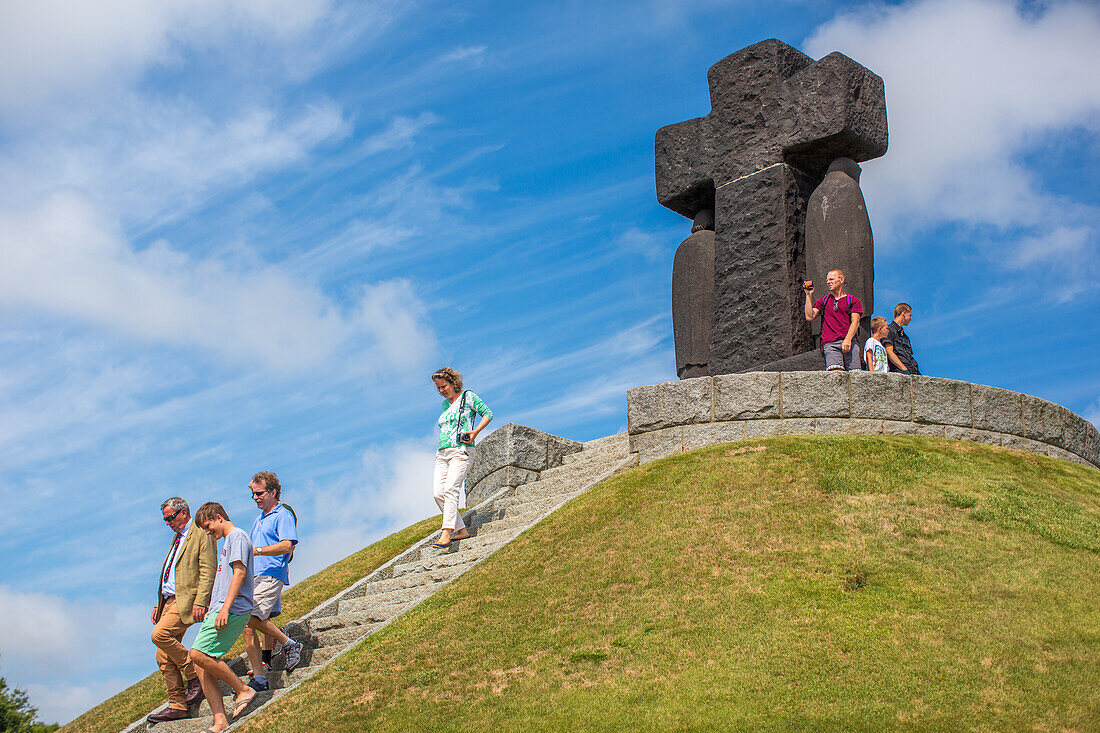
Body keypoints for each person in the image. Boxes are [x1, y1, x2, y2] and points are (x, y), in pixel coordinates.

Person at [147, 497, 217, 724]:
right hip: (168, 601)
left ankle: (193, 674)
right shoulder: (177, 538)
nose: (168, 523)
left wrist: (201, 600)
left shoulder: (199, 532)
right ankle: (177, 705)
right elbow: (171, 573)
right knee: (163, 655)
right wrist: (159, 603)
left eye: (170, 518)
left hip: (186, 600)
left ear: (183, 513)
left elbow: (208, 568)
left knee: (159, 635)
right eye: (165, 519)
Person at [188, 502, 257, 732]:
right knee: (200, 665)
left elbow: (239, 572)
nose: (207, 532)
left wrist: (225, 608)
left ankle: (242, 690)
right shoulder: (228, 541)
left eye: (208, 526)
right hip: (219, 608)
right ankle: (220, 720)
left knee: (197, 653)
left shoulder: (237, 537)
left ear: (218, 517)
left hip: (233, 608)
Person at [242, 471, 304, 692]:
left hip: (271, 573)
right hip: (255, 577)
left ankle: (289, 644)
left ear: (273, 492)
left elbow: (287, 545)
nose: (255, 498)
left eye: (259, 493)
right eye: (253, 494)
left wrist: (258, 551)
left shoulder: (282, 515)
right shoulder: (259, 519)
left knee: (251, 617)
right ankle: (260, 674)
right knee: (247, 625)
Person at [431, 367, 493, 548]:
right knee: (438, 494)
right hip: (442, 452)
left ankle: (446, 533)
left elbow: (488, 414)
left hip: (462, 450)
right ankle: (462, 531)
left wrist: (475, 432)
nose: (442, 391)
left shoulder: (468, 397)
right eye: (439, 388)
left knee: (451, 489)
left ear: (453, 383)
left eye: (444, 386)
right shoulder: (445, 405)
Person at [804, 269, 864, 371]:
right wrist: (808, 295)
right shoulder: (824, 300)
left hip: (849, 342)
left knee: (855, 375)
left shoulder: (853, 301)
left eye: (831, 279)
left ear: (841, 280)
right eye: (827, 280)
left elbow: (855, 321)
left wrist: (848, 339)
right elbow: (810, 316)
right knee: (835, 376)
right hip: (830, 343)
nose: (828, 282)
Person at [883, 302, 921, 375]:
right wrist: (904, 370)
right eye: (910, 315)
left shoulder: (905, 336)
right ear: (903, 313)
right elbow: (889, 352)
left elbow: (909, 356)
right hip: (899, 372)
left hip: (912, 371)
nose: (910, 319)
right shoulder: (889, 330)